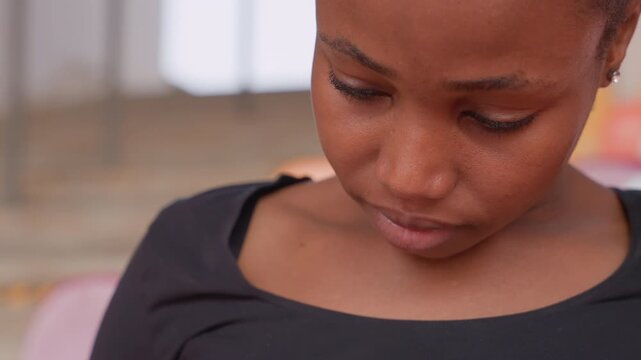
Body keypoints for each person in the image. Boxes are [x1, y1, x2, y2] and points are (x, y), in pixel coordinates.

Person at [91, 0, 641, 358]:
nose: (409, 177)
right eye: (359, 88)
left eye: (496, 117)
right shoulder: (190, 256)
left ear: (615, 41)